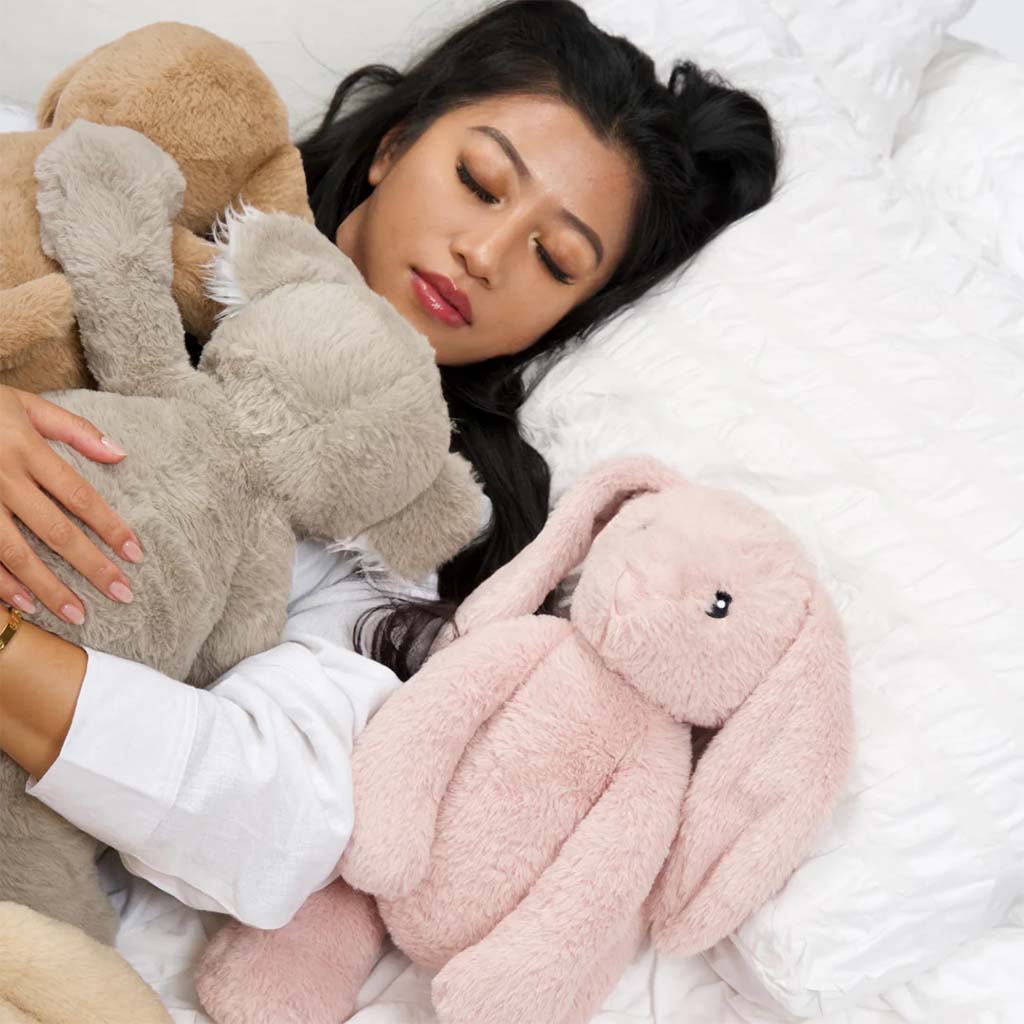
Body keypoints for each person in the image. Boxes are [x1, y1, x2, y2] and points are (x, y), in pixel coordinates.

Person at [0, 0, 778, 928]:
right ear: (392, 145)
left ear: (566, 318)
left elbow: (272, 826)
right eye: (480, 182)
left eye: (556, 258)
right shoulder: (78, 172)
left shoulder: (394, 539)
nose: (484, 254)